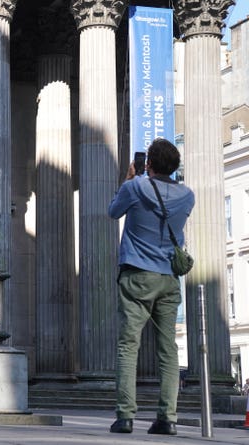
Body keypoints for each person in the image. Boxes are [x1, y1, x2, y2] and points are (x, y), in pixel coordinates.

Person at [107, 138, 195, 436]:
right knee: (168, 349)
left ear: (148, 164)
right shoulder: (187, 196)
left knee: (128, 346)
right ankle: (167, 417)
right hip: (169, 278)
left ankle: (125, 416)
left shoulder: (135, 187)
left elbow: (113, 212)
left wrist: (129, 179)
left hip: (136, 274)